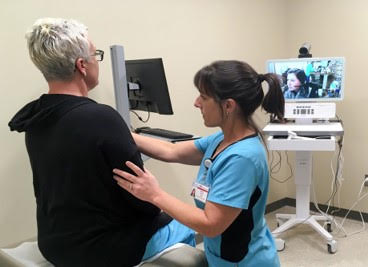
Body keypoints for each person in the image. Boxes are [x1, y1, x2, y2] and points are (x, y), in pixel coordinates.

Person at [8, 18, 194, 267]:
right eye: (96, 55)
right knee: (185, 226)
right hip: (100, 251)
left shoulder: (36, 118)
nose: (98, 61)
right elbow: (143, 201)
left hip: (54, 243)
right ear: (82, 65)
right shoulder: (101, 117)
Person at [113, 60, 284, 266]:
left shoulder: (242, 159)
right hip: (222, 255)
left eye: (203, 97)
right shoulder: (221, 140)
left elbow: (210, 224)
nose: (196, 103)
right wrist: (117, 132)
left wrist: (154, 194)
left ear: (228, 105)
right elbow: (171, 150)